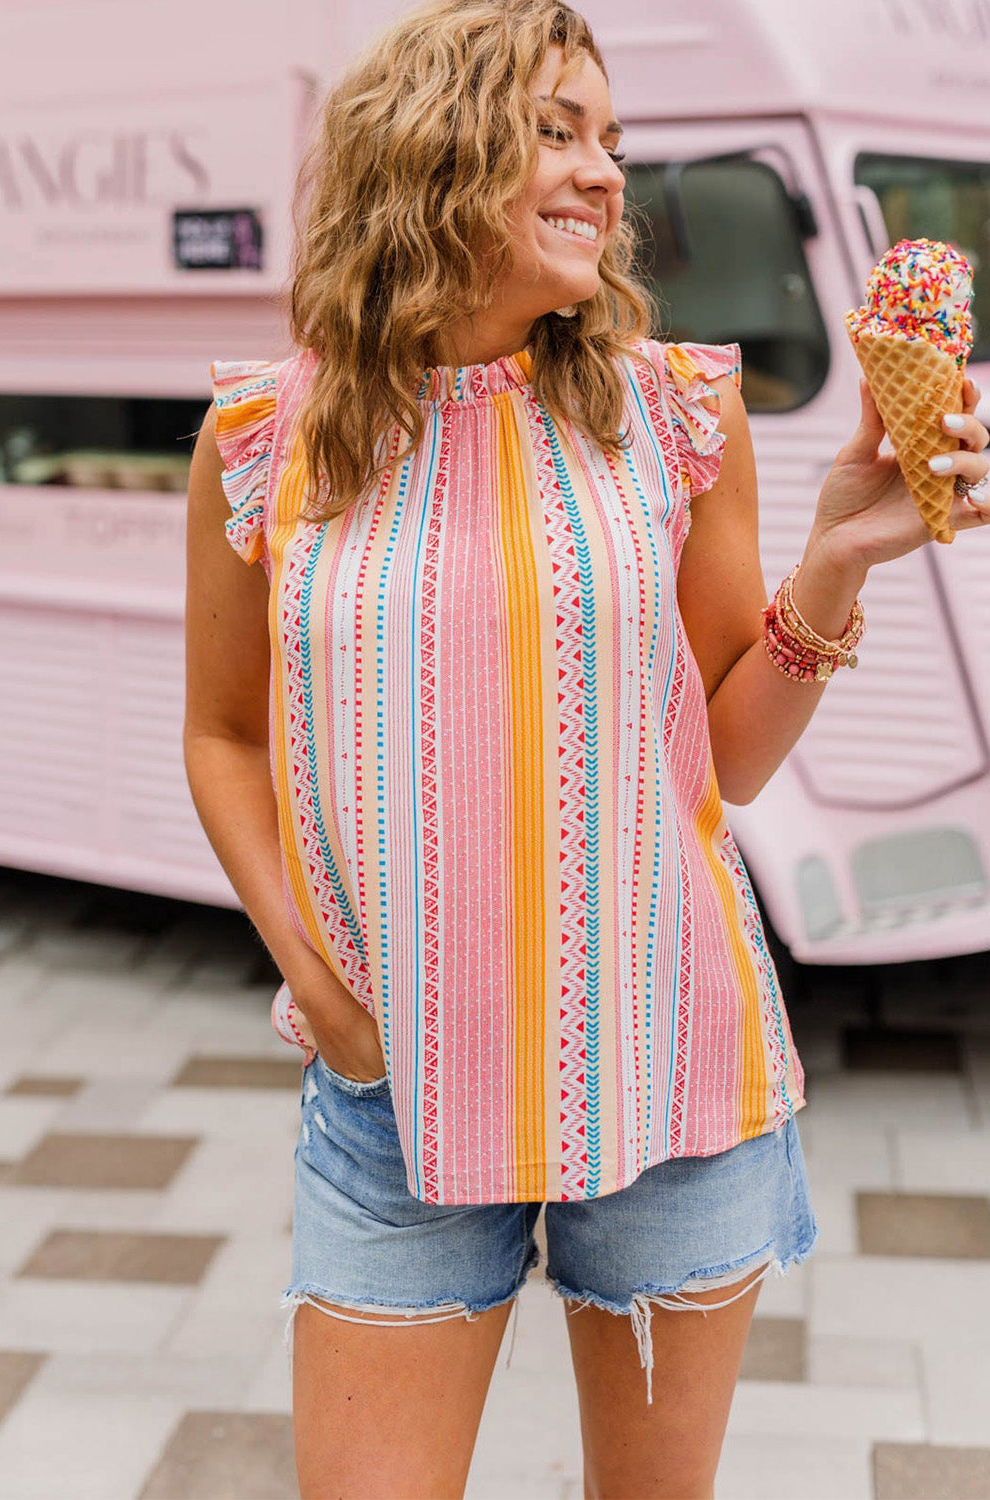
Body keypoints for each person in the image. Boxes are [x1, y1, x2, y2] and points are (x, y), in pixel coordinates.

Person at [183, 2, 990, 1495]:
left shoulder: (674, 415)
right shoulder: (264, 440)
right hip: (392, 1099)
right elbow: (223, 736)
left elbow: (727, 760)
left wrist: (831, 570)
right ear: (422, 151)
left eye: (612, 139)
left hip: (669, 1070)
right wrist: (307, 969)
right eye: (555, 130)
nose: (604, 171)